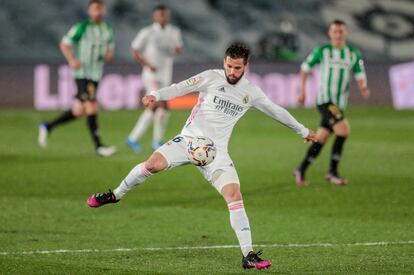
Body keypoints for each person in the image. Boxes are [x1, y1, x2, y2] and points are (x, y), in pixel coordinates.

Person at [87, 43, 317, 270]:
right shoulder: (210, 77)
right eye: (229, 66)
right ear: (224, 63)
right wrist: (155, 94)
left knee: (234, 195)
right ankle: (115, 195)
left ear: (246, 66)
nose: (232, 72)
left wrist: (303, 131)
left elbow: (276, 111)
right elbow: (180, 88)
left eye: (237, 68)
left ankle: (248, 255)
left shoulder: (251, 93)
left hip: (216, 152)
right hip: (188, 140)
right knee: (152, 164)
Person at [294, 19, 370, 186]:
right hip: (325, 101)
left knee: (321, 137)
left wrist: (363, 87)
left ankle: (301, 169)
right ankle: (332, 172)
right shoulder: (322, 51)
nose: (338, 34)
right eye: (334, 31)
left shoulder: (353, 53)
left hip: (339, 104)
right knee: (343, 130)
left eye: (340, 31)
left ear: (346, 33)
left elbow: (359, 72)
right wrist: (302, 91)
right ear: (330, 33)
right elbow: (305, 68)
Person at [38, 0, 117, 157]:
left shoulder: (107, 28)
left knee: (79, 111)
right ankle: (99, 147)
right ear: (89, 11)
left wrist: (108, 55)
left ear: (104, 11)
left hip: (96, 74)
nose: (98, 12)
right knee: (92, 106)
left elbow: (110, 50)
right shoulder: (82, 28)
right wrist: (71, 60)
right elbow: (64, 44)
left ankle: (48, 126)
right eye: (94, 9)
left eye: (100, 9)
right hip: (82, 73)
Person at [126, 4, 183, 153]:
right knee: (158, 105)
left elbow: (178, 49)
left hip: (165, 75)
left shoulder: (174, 32)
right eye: (160, 14)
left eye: (165, 14)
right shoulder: (148, 32)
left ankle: (137, 139)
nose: (163, 17)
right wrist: (147, 64)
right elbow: (134, 49)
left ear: (168, 15)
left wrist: (177, 51)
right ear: (155, 16)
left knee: (159, 108)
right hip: (151, 75)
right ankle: (153, 141)